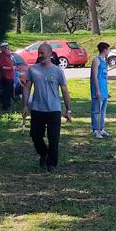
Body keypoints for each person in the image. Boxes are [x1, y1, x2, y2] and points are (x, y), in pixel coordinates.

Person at [23, 42, 72, 172]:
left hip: (53, 110)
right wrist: (25, 106)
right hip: (37, 109)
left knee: (54, 138)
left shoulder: (57, 71)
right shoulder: (33, 70)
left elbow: (65, 91)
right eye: (39, 53)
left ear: (50, 54)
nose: (40, 55)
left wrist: (68, 110)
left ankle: (51, 164)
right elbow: (27, 88)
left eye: (42, 53)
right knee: (35, 136)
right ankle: (44, 153)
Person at [90, 42, 111, 138]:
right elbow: (94, 76)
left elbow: (104, 77)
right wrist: (97, 90)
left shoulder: (104, 61)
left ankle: (101, 129)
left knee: (103, 111)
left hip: (104, 90)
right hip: (98, 91)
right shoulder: (96, 60)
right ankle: (96, 130)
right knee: (96, 111)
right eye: (108, 49)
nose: (109, 51)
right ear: (104, 50)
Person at [0, 42, 15, 112]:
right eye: (6, 47)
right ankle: (5, 107)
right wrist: (11, 68)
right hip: (5, 77)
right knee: (6, 92)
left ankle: (8, 105)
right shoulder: (1, 56)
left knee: (9, 92)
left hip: (11, 77)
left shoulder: (9, 56)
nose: (7, 49)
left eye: (7, 47)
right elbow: (1, 67)